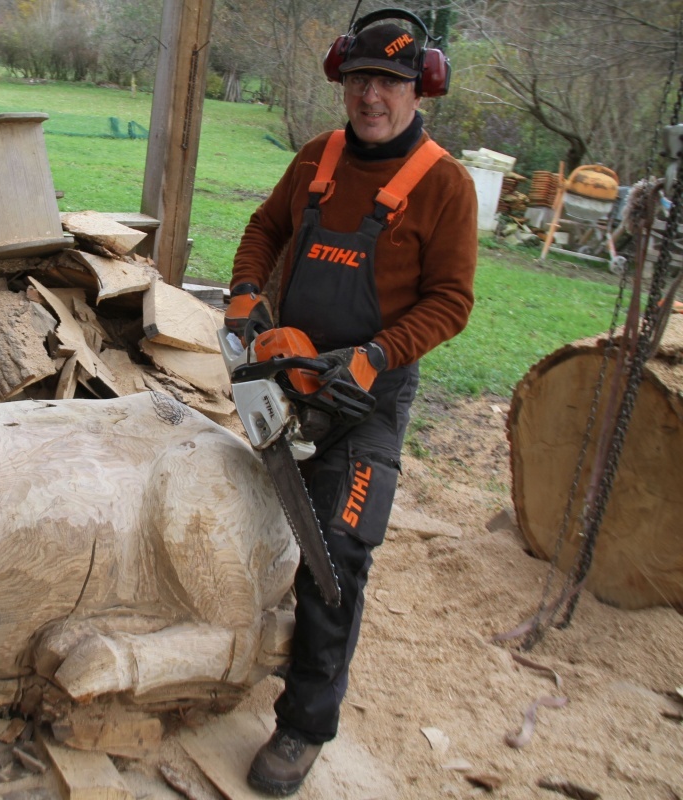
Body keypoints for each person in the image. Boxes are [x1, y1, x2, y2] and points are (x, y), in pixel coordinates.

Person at [224, 18, 477, 797]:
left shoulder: (445, 184)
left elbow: (451, 302)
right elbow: (266, 228)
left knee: (337, 552)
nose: (372, 95)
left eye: (391, 82)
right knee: (236, 515)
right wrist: (242, 296)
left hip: (368, 397)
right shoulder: (316, 159)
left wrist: (372, 357)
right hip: (286, 375)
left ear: (420, 86)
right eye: (360, 78)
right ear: (343, 80)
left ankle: (304, 725)